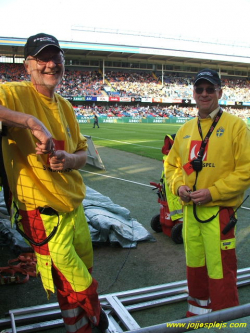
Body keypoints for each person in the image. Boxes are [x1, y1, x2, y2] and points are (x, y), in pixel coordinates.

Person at [0, 33, 108, 333]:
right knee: (68, 277)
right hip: (42, 211)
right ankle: (93, 316)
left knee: (82, 268)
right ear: (27, 66)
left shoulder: (66, 106)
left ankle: (84, 322)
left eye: (55, 58)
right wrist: (32, 123)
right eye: (42, 59)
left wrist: (67, 160)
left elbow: (82, 154)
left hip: (74, 205)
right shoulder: (13, 93)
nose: (50, 64)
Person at [165, 68, 250, 317]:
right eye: (199, 89)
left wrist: (213, 193)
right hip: (191, 214)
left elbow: (246, 171)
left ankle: (225, 318)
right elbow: (172, 166)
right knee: (196, 267)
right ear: (193, 93)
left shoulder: (236, 127)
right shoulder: (186, 129)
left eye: (210, 89)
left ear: (219, 93)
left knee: (221, 268)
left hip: (219, 214)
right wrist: (178, 186)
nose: (204, 93)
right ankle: (198, 314)